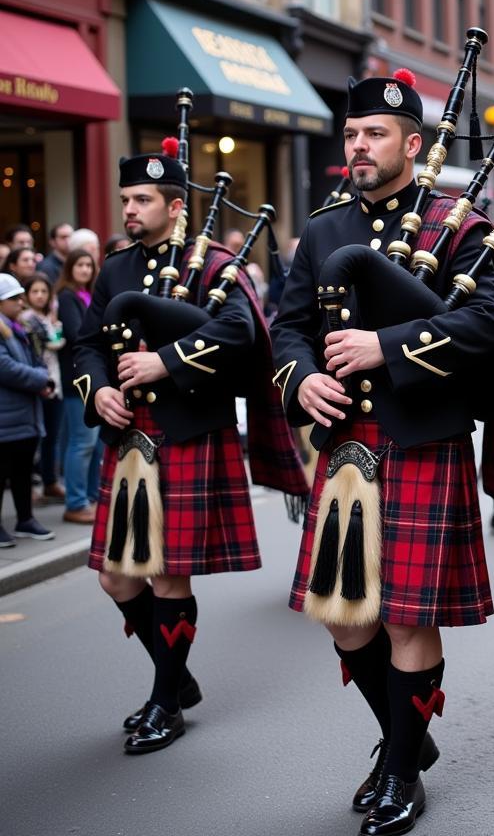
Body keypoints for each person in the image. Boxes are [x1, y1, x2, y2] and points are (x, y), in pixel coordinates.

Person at [271, 70, 494, 836]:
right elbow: (286, 327)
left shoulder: (456, 226)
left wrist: (383, 346)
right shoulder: (322, 230)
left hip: (423, 436)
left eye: (375, 134)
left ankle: (398, 771)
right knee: (345, 620)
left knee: (405, 618)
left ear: (413, 146)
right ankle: (408, 737)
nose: (359, 146)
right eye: (352, 134)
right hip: (347, 444)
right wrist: (301, 382)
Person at [74, 146, 306, 755]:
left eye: (142, 200)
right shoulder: (114, 268)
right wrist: (96, 389)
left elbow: (239, 332)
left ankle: (165, 701)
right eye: (125, 199)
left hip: (186, 430)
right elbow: (86, 344)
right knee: (116, 580)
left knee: (169, 576)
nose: (129, 209)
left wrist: (164, 360)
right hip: (128, 436)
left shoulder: (214, 265)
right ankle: (177, 680)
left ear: (176, 208)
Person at [0, 273, 54, 545]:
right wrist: (41, 379)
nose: (21, 302)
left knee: (22, 471)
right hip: (5, 417)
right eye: (14, 298)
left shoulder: (16, 327)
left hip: (24, 415)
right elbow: (6, 368)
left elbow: (36, 359)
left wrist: (43, 377)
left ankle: (26, 519)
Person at [56, 250, 102, 524]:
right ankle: (75, 503)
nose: (85, 269)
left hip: (92, 378)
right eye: (80, 265)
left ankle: (92, 497)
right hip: (75, 380)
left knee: (94, 444)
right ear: (71, 268)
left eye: (89, 265)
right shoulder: (66, 296)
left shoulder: (90, 294)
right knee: (81, 442)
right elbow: (76, 334)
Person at [19, 272, 65, 502]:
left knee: (52, 437)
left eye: (43, 291)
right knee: (36, 439)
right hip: (38, 382)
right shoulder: (26, 319)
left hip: (54, 380)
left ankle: (51, 481)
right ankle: (32, 487)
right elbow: (52, 344)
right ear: (26, 296)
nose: (39, 296)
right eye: (34, 291)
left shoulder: (48, 318)